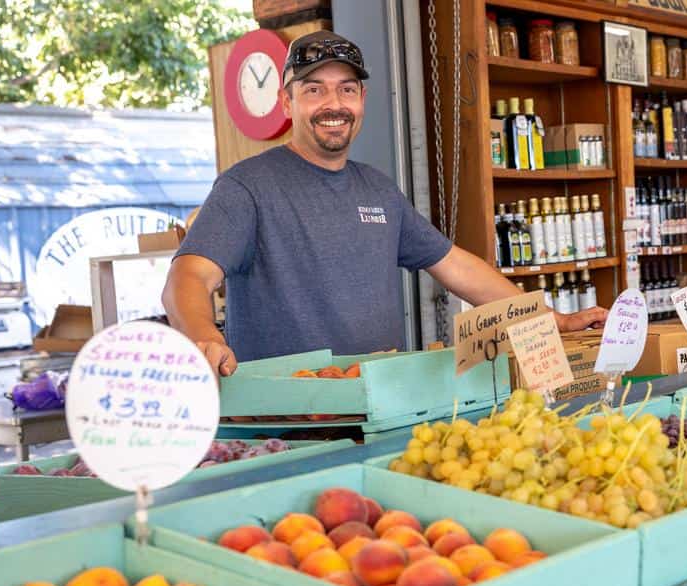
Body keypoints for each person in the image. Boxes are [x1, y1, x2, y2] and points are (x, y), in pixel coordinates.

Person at [162, 30, 607, 376]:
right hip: (288, 422)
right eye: (314, 89)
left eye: (347, 89)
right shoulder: (247, 186)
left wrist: (551, 320)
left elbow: (458, 268)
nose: (332, 104)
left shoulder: (377, 190)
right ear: (287, 101)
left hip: (376, 409)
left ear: (362, 100)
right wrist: (204, 338)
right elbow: (187, 277)